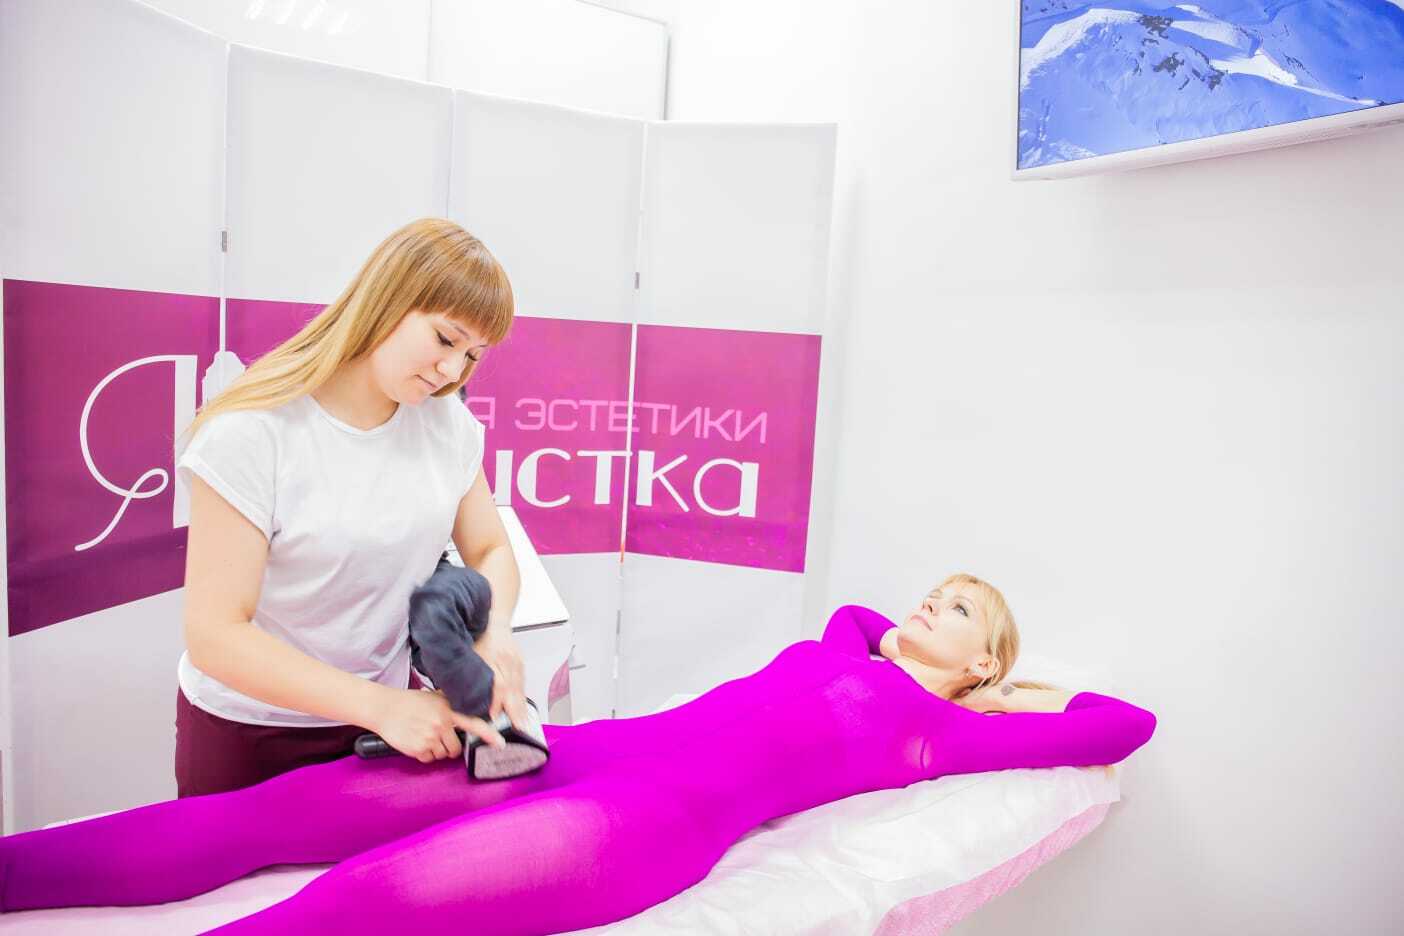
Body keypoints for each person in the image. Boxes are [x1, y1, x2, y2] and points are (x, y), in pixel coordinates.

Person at [0, 573, 1156, 934]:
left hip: (643, 825)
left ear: (982, 661)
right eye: (936, 589)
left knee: (349, 907)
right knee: (279, 816)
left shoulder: (939, 730)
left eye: (961, 609)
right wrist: (927, 641)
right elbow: (856, 617)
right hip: (562, 753)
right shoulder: (841, 645)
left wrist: (1003, 690)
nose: (931, 601)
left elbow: (1120, 723)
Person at [171, 217, 528, 798]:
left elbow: (490, 548)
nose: (452, 371)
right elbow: (215, 635)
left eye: (471, 355)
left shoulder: (447, 425)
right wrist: (380, 706)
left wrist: (496, 631)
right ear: (387, 300)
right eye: (446, 339)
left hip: (389, 727)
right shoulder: (252, 432)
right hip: (252, 733)